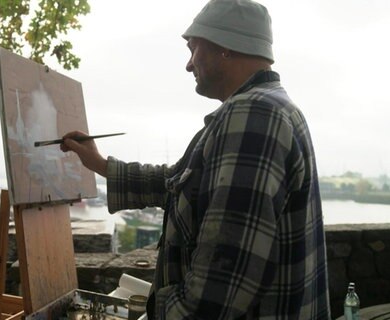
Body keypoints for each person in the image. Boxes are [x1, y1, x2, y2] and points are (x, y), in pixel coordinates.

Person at [61, 0, 331, 318]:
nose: (189, 65)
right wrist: (101, 164)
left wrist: (162, 313)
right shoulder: (272, 107)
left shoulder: (253, 113)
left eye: (193, 49)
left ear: (225, 46)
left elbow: (221, 284)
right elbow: (180, 182)